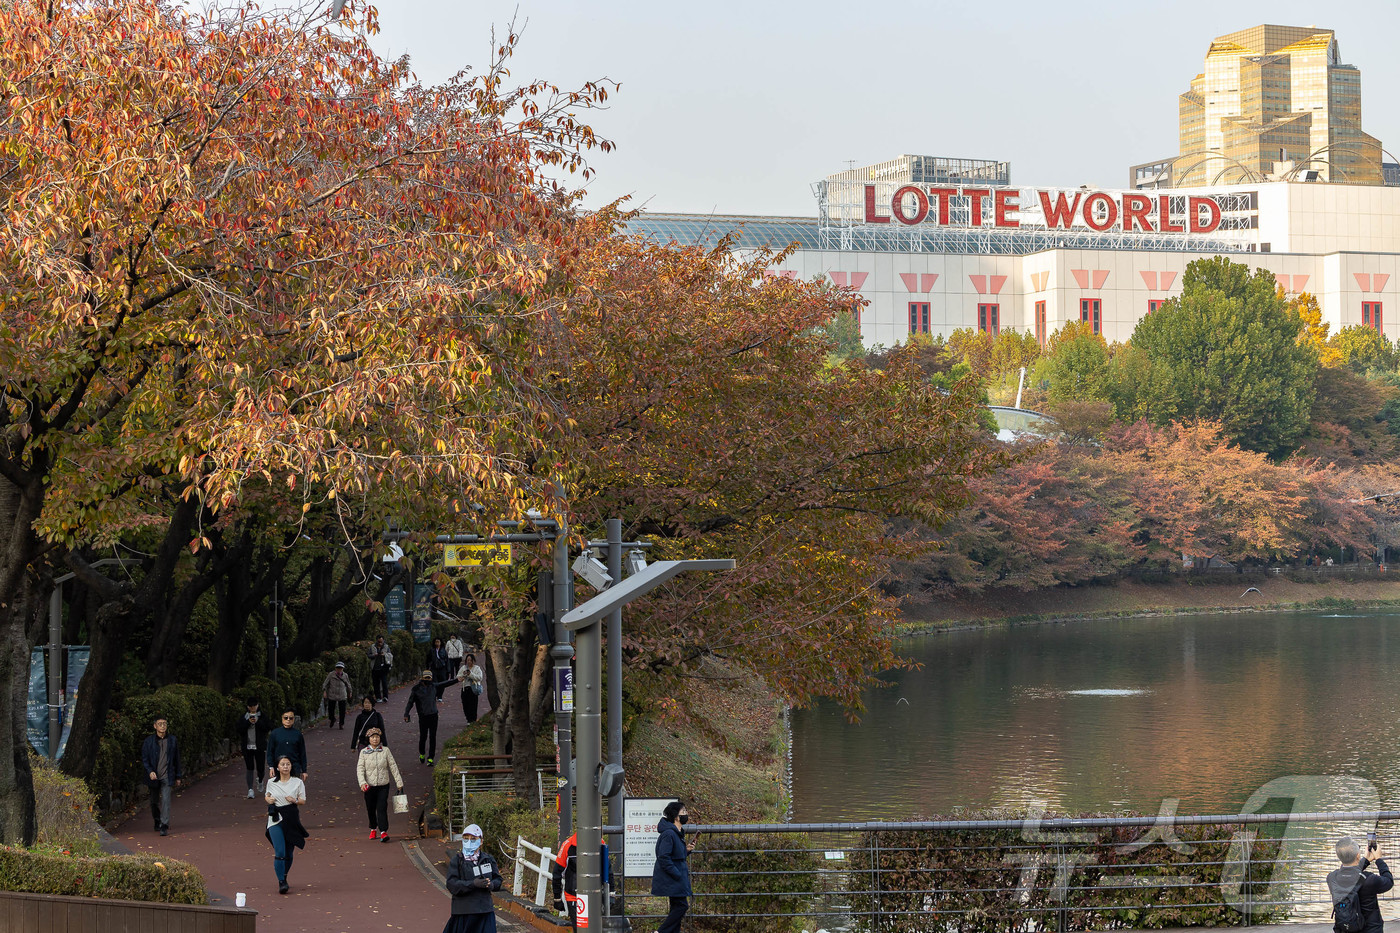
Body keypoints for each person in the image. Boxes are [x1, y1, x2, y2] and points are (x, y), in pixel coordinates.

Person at [444, 822, 502, 933]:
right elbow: (452, 885)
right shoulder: (457, 861)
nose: (469, 842)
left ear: (481, 841)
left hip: (485, 911)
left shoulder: (488, 859)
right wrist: (473, 884)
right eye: (466, 839)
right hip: (463, 912)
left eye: (473, 838)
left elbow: (498, 879)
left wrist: (491, 884)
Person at [1328, 835, 1393, 933]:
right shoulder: (1370, 879)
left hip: (1344, 928)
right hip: (1371, 930)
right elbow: (1388, 881)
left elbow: (1350, 874)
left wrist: (1365, 861)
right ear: (1358, 855)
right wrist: (1379, 859)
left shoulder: (1332, 878)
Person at [265, 755, 309, 895]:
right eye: (282, 764)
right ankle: (281, 882)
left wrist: (294, 800)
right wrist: (268, 799)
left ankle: (284, 876)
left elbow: (303, 801)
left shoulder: (297, 782)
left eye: (288, 764)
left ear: (291, 766)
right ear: (277, 767)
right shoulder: (271, 782)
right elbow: (267, 795)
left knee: (289, 853)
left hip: (291, 818)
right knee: (280, 852)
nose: (285, 767)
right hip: (275, 819)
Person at [552, 831, 612, 929]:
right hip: (573, 896)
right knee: (580, 928)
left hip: (595, 895)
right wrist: (557, 898)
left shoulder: (600, 843)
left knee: (594, 928)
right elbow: (557, 873)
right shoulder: (568, 845)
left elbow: (608, 870)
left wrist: (610, 894)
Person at [651, 800, 695, 933]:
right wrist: (676, 873)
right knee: (682, 906)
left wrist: (686, 850)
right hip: (673, 878)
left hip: (676, 877)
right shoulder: (669, 834)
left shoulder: (676, 833)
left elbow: (676, 856)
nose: (686, 814)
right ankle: (661, 931)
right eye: (683, 812)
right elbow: (663, 856)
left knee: (676, 907)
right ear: (676, 816)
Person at [356, 726, 404, 842]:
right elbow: (360, 769)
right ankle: (373, 828)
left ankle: (383, 831)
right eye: (372, 737)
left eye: (377, 737)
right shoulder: (364, 752)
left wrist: (399, 781)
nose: (375, 739)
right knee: (371, 808)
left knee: (382, 808)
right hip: (369, 786)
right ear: (369, 739)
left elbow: (393, 766)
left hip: (383, 785)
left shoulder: (386, 751)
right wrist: (362, 783)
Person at [140, 715, 182, 836]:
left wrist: (178, 776)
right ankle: (157, 820)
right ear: (155, 726)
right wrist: (150, 771)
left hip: (167, 775)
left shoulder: (172, 740)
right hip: (153, 776)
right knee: (153, 802)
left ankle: (164, 825)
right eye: (160, 724)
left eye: (164, 723)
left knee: (166, 801)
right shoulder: (148, 742)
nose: (163, 726)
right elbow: (145, 759)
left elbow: (176, 759)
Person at [404, 670, 441, 764]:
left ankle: (431, 758)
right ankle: (422, 753)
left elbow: (445, 683)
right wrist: (406, 713)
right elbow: (410, 702)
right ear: (423, 678)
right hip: (423, 717)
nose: (428, 680)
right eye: (426, 678)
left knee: (433, 737)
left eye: (429, 678)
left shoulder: (433, 686)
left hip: (433, 715)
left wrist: (457, 680)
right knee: (423, 737)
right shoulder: (416, 689)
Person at [238, 699, 271, 799]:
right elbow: (239, 729)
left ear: (258, 705)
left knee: (260, 768)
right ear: (248, 707)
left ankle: (260, 780)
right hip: (247, 746)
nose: (253, 708)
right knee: (249, 767)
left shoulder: (262, 716)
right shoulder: (244, 717)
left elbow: (268, 727)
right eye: (250, 706)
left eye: (254, 705)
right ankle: (250, 790)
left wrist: (258, 722)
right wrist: (248, 722)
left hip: (259, 746)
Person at [267, 708, 308, 782]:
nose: (288, 720)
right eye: (286, 718)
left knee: (294, 790)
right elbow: (270, 751)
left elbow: (302, 753)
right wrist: (271, 767)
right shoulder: (275, 734)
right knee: (279, 791)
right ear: (282, 718)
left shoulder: (298, 734)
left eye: (291, 718)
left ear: (293, 719)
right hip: (279, 767)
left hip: (295, 767)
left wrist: (304, 770)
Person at [322, 660, 354, 729]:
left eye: (340, 668)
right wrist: (324, 691)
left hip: (342, 695)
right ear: (335, 668)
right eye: (338, 668)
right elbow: (325, 683)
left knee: (342, 711)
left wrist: (350, 692)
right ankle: (332, 719)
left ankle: (341, 724)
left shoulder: (345, 675)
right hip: (332, 694)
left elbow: (348, 684)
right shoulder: (331, 674)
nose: (339, 669)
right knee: (330, 710)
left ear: (343, 669)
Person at [456, 652, 484, 724]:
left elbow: (479, 678)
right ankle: (468, 719)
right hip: (465, 689)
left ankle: (472, 720)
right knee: (465, 705)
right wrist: (462, 676)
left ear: (473, 661)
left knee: (473, 705)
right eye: (467, 660)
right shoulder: (463, 668)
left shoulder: (477, 668)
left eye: (470, 660)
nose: (469, 662)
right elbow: (458, 676)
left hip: (473, 689)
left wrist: (470, 674)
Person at [368, 635, 393, 702]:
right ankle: (378, 697)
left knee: (384, 683)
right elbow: (368, 655)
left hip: (383, 668)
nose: (380, 643)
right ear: (376, 640)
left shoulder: (386, 646)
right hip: (375, 668)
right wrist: (374, 655)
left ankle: (385, 697)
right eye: (379, 642)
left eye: (381, 642)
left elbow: (390, 656)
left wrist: (384, 655)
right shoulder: (372, 646)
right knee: (376, 683)